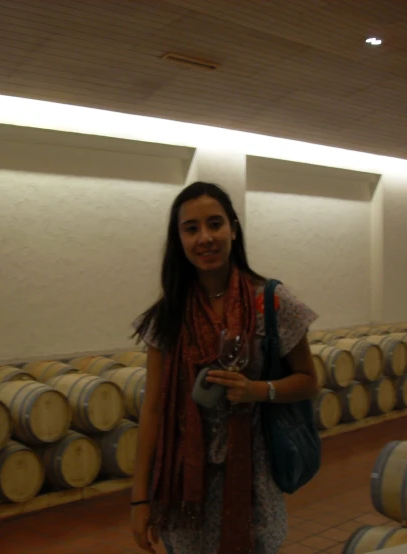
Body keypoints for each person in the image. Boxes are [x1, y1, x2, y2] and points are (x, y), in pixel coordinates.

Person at [130, 181, 320, 554]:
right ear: (179, 240)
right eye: (191, 229)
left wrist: (258, 390)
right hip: (185, 480)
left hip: (253, 474)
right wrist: (139, 500)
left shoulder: (273, 300)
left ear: (233, 228)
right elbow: (151, 410)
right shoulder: (168, 316)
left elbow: (309, 381)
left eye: (215, 224)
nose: (205, 238)